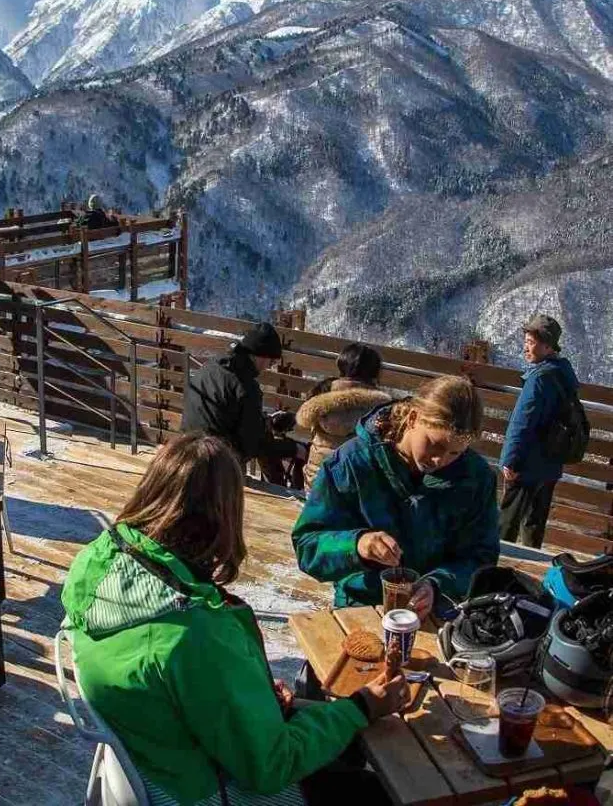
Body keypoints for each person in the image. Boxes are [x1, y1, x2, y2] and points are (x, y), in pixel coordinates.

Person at [62, 433, 407, 806]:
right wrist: (362, 706)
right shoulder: (191, 634)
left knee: (346, 746)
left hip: (157, 757)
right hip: (207, 791)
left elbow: (182, 682)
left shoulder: (101, 561)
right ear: (224, 514)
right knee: (384, 789)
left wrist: (250, 691)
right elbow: (270, 767)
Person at [292, 376, 499, 618]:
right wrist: (357, 545)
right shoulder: (350, 464)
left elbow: (480, 556)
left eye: (455, 452)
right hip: (363, 605)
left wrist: (437, 584)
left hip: (436, 608)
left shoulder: (475, 478)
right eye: (434, 445)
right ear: (412, 419)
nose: (439, 460)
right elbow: (308, 547)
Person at [499, 315, 580, 549]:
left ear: (547, 346)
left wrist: (509, 460)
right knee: (534, 527)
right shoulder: (564, 376)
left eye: (531, 342)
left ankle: (494, 574)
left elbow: (521, 423)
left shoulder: (540, 379)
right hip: (551, 465)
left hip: (527, 465)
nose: (526, 346)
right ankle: (528, 571)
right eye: (525, 340)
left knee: (506, 526)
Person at [181, 322, 283, 470]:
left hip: (185, 449)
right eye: (271, 361)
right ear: (259, 355)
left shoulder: (210, 366)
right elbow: (250, 444)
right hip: (215, 464)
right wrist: (287, 445)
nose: (270, 366)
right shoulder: (246, 387)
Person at [298, 343, 391, 492]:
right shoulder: (382, 409)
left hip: (315, 489)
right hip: (355, 497)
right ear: (375, 373)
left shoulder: (320, 398)